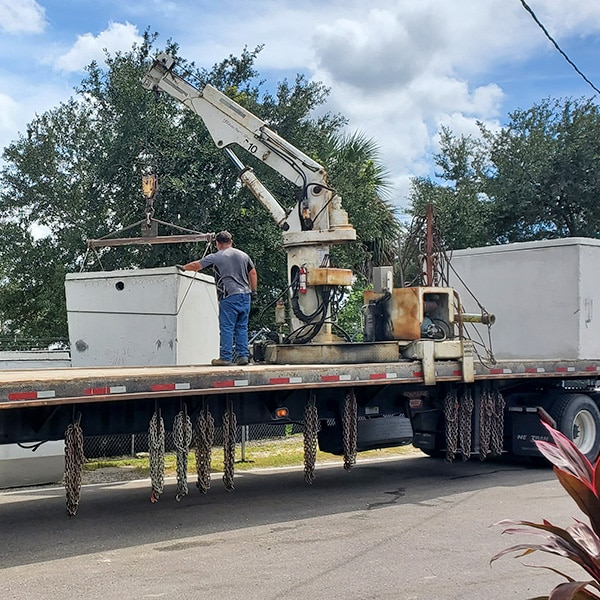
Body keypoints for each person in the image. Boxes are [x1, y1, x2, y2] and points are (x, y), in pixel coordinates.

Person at [180, 231, 257, 366]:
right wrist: (253, 291)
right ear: (231, 242)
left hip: (229, 296)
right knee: (242, 327)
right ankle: (243, 356)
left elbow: (196, 266)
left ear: (217, 244)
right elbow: (253, 272)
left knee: (227, 327)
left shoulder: (216, 257)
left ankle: (226, 358)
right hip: (245, 296)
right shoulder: (244, 255)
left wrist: (183, 268)